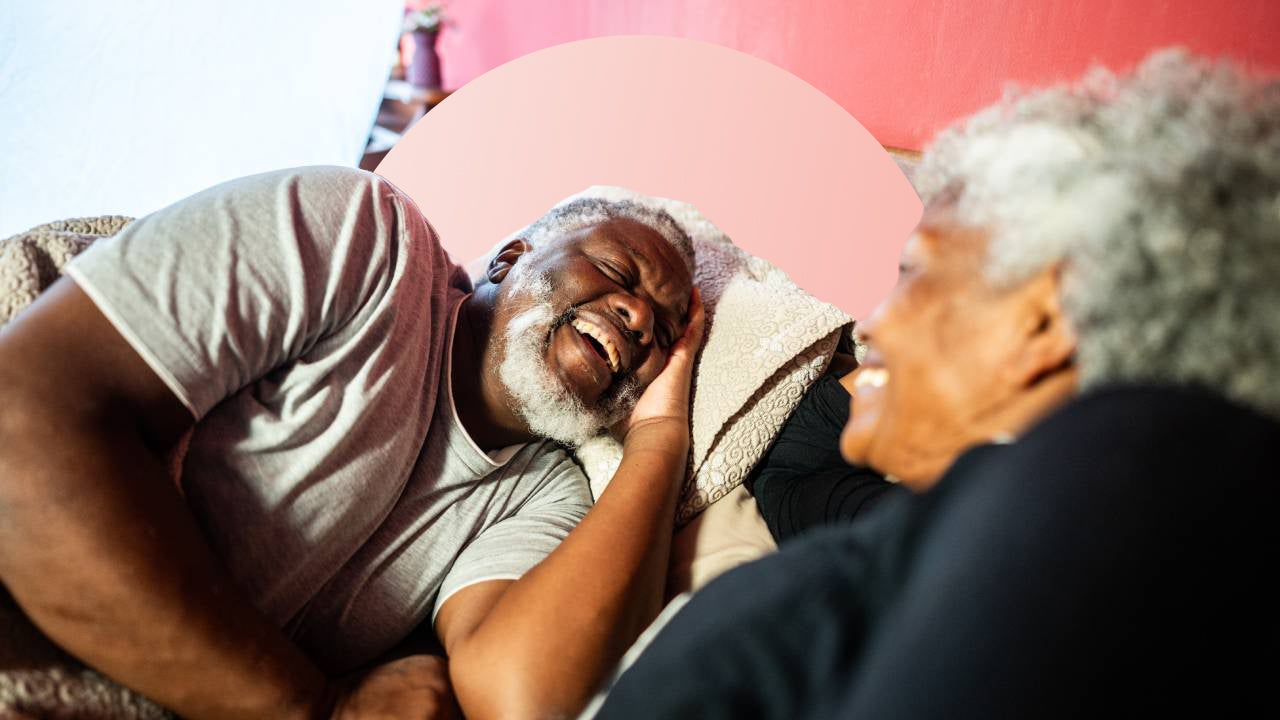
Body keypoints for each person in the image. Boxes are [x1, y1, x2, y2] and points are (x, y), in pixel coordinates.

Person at [593, 49, 1280, 718]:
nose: (873, 324)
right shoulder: (987, 513)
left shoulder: (1122, 473)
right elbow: (797, 474)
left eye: (915, 274)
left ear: (1041, 318)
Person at [0, 168, 706, 719]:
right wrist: (316, 707)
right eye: (615, 273)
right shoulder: (371, 240)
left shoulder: (546, 490)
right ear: (510, 259)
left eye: (666, 337)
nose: (640, 317)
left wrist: (659, 441)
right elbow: (19, 420)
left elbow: (523, 699)